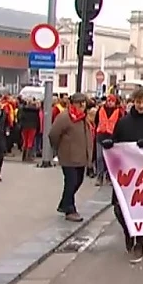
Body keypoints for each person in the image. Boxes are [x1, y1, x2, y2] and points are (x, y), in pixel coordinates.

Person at [100, 87, 143, 263]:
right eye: (138, 102)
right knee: (119, 208)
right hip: (125, 174)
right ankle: (129, 231)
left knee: (142, 210)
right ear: (133, 103)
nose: (141, 105)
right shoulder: (123, 122)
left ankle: (140, 242)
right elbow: (116, 142)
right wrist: (108, 144)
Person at [49, 93, 93, 223]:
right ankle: (70, 209)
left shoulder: (83, 117)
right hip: (68, 155)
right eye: (79, 103)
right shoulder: (64, 117)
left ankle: (64, 203)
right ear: (72, 104)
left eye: (83, 103)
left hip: (81, 157)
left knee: (78, 181)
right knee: (71, 181)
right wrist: (59, 148)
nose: (82, 106)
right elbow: (53, 134)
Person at [94, 95, 123, 186]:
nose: (110, 102)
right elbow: (96, 121)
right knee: (99, 158)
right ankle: (99, 177)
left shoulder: (119, 112)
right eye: (108, 101)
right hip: (101, 136)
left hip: (112, 137)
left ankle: (109, 176)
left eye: (112, 101)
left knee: (110, 159)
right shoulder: (100, 110)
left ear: (115, 102)